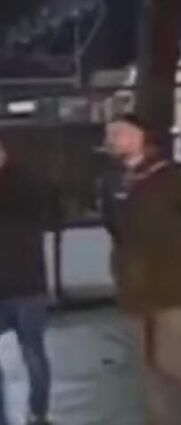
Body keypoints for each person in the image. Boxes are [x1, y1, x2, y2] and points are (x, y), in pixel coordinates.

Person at [105, 114, 181, 425]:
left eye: (120, 132)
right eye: (110, 134)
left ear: (141, 137)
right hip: (134, 284)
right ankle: (161, 420)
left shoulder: (167, 178)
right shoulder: (117, 182)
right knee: (147, 366)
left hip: (168, 283)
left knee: (168, 359)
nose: (113, 139)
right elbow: (116, 227)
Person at [0, 137, 53, 425]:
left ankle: (37, 413)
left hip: (26, 285)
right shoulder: (28, 183)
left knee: (33, 353)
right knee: (33, 352)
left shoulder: (24, 185)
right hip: (23, 283)